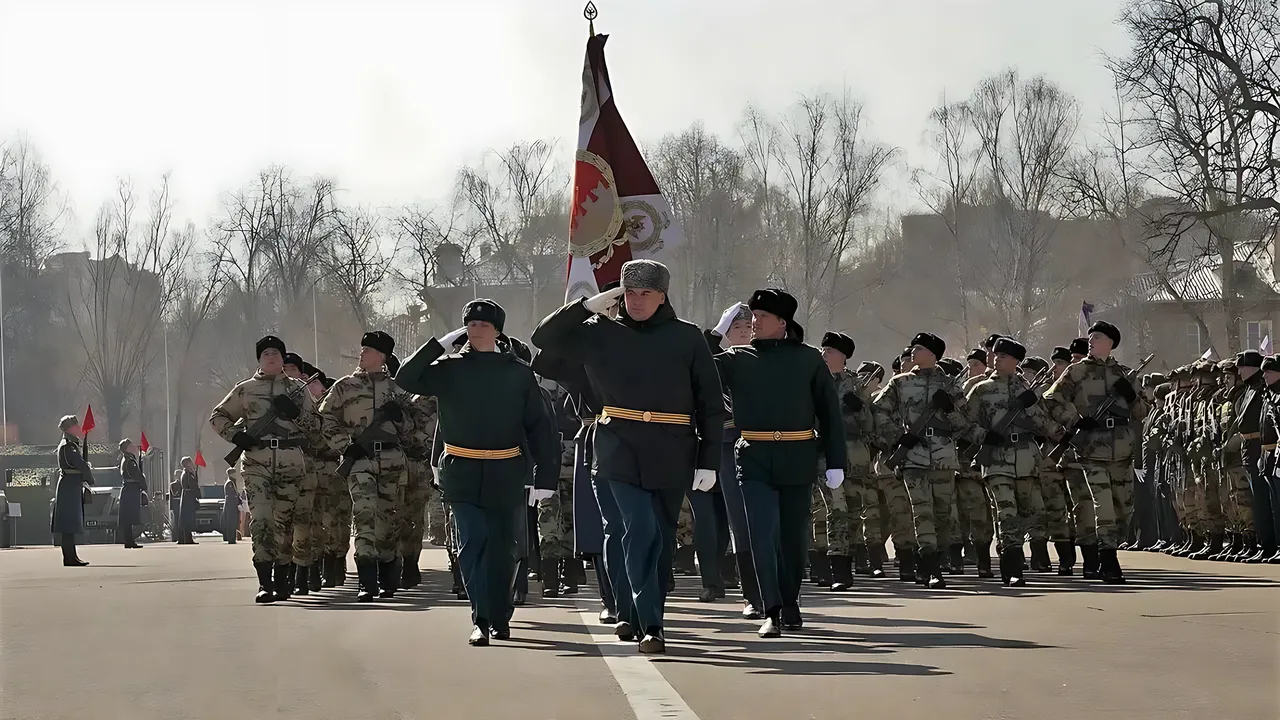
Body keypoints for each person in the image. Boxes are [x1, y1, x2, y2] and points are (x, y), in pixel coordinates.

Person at [531, 260, 725, 654]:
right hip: (617, 445)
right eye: (629, 293)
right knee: (638, 527)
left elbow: (710, 403)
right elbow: (543, 338)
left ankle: (632, 612)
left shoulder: (687, 337)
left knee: (661, 537)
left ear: (662, 296)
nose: (636, 301)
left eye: (645, 293)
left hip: (671, 448)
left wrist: (709, 460)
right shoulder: (599, 332)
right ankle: (651, 625)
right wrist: (586, 306)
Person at [398, 299, 558, 646]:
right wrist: (439, 345)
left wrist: (545, 476)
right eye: (470, 324)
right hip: (462, 469)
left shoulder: (518, 372)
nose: (476, 329)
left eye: (484, 324)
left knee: (503, 548)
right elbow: (405, 377)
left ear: (497, 331)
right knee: (472, 544)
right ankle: (481, 619)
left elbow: (539, 426)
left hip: (506, 469)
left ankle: (500, 616)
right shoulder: (449, 368)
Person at [709, 290, 844, 637]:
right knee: (761, 533)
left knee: (793, 537)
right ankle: (771, 609)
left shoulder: (808, 359)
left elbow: (830, 412)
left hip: (797, 456)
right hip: (753, 456)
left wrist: (836, 460)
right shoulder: (737, 358)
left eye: (763, 316)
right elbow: (697, 367)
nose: (755, 322)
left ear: (783, 323)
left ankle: (790, 601)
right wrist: (717, 332)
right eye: (753, 315)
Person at [210, 335, 321, 603]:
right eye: (265, 354)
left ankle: (282, 580)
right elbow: (218, 417)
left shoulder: (298, 389)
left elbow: (317, 427)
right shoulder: (245, 389)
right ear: (259, 360)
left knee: (283, 524)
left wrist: (296, 414)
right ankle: (264, 582)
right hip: (257, 462)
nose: (271, 357)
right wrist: (237, 436)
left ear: (283, 359)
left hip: (290, 462)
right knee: (261, 521)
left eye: (275, 353)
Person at [1042, 320, 1149, 583]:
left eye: (1097, 337)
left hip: (1121, 450)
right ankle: (1108, 559)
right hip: (1091, 449)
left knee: (1123, 509)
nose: (1091, 341)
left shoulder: (1125, 374)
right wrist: (1075, 420)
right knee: (1103, 506)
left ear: (1111, 343)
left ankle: (1109, 548)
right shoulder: (1077, 371)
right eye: (1090, 337)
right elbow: (1051, 399)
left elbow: (1142, 412)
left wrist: (1131, 396)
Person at [318, 331, 416, 602]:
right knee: (364, 515)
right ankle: (366, 581)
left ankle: (387, 578)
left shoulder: (398, 389)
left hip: (392, 459)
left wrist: (400, 418)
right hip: (360, 459)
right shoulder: (344, 386)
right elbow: (324, 418)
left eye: (369, 350)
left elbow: (413, 429)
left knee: (389, 519)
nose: (362, 353)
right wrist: (344, 445)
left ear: (382, 356)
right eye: (362, 348)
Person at [872, 332, 973, 588]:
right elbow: (879, 411)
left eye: (918, 349)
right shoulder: (900, 383)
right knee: (922, 511)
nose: (913, 353)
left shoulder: (950, 385)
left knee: (943, 513)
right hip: (913, 455)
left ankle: (934, 560)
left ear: (932, 354)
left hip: (943, 456)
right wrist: (898, 436)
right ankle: (930, 568)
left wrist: (949, 409)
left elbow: (965, 425)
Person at [705, 301, 764, 617]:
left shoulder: (765, 358)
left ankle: (777, 590)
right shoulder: (718, 362)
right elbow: (699, 363)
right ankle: (751, 593)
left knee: (769, 520)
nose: (742, 332)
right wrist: (714, 335)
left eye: (746, 327)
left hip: (766, 445)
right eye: (735, 328)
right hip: (730, 446)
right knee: (740, 520)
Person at [52, 415, 94, 567]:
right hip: (69, 486)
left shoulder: (71, 444)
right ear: (70, 428)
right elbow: (79, 464)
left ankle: (72, 556)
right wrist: (89, 476)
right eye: (76, 426)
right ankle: (69, 557)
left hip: (71, 485)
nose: (78, 428)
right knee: (68, 524)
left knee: (70, 525)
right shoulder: (68, 446)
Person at [118, 439, 147, 549]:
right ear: (127, 448)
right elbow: (137, 475)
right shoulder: (130, 461)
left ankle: (129, 540)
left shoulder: (127, 459)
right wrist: (143, 485)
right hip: (131, 489)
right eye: (131, 445)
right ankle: (129, 541)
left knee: (128, 518)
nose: (133, 446)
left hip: (129, 489)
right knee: (129, 517)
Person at [177, 457, 200, 544]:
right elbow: (193, 485)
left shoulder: (187, 473)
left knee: (187, 518)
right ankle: (187, 539)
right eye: (190, 462)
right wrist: (198, 494)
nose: (192, 464)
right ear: (187, 464)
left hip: (187, 496)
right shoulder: (187, 474)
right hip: (188, 497)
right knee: (187, 518)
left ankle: (186, 538)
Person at [223, 468, 241, 544]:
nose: (235, 475)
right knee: (231, 521)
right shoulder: (230, 483)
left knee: (233, 521)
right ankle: (231, 538)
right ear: (230, 474)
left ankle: (232, 538)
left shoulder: (232, 482)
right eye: (234, 473)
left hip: (232, 504)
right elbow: (232, 495)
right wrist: (237, 501)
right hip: (230, 504)